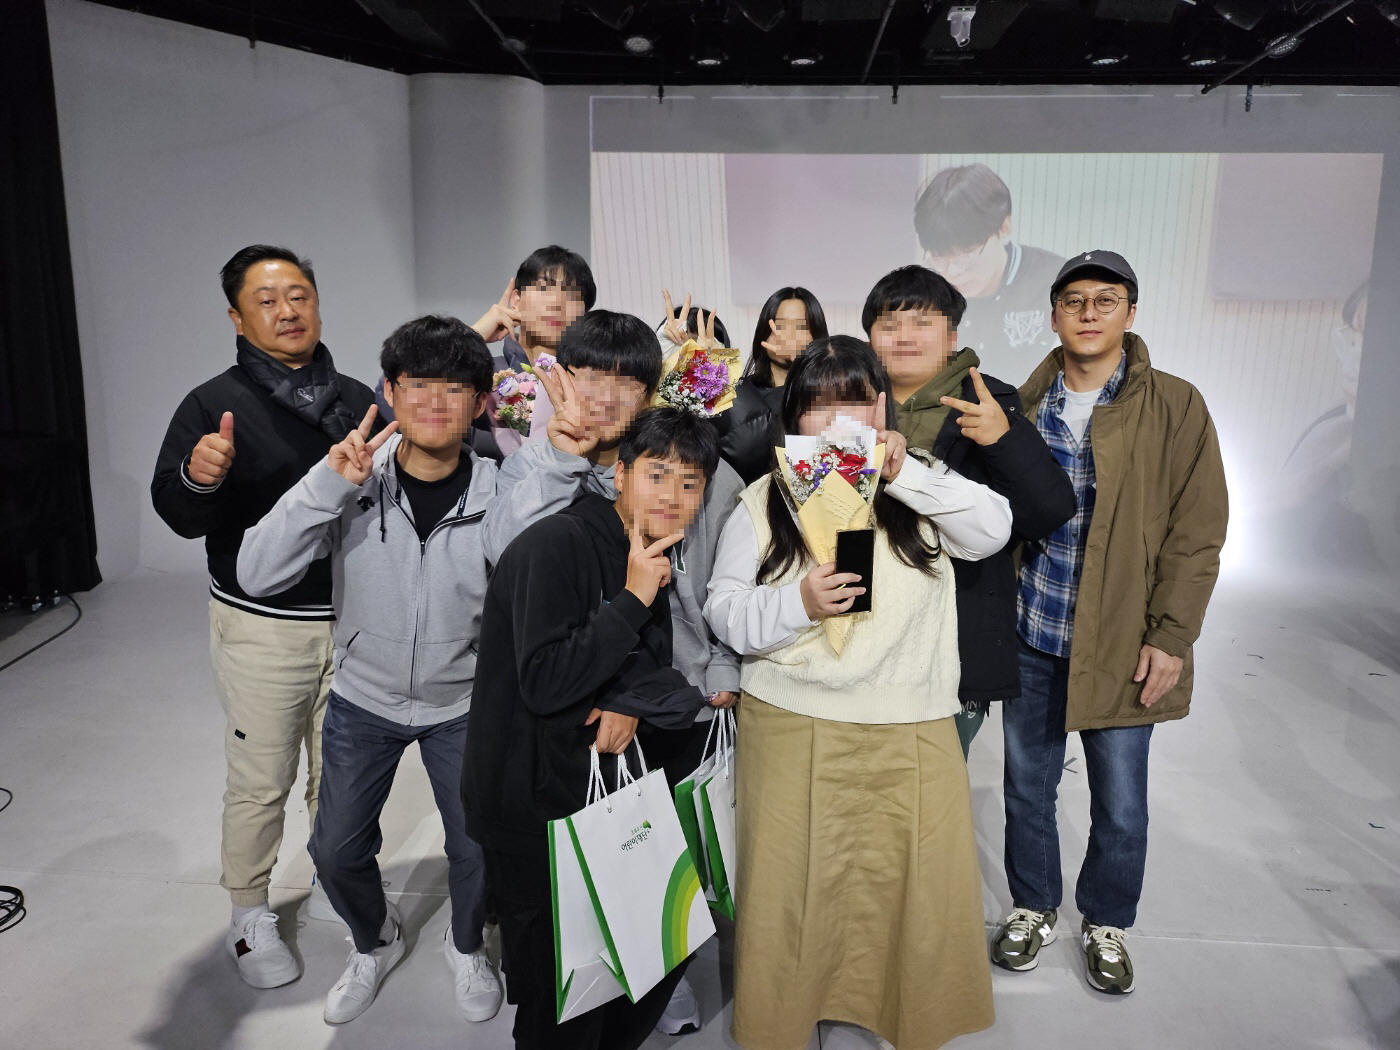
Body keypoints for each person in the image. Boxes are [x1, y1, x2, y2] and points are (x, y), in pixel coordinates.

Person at [704, 336, 1011, 1050]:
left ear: (881, 409)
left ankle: (871, 1019)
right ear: (795, 416)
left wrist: (902, 474)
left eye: (857, 402)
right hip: (793, 722)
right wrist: (799, 604)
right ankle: (790, 1022)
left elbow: (993, 530)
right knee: (793, 895)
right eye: (820, 405)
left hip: (911, 724)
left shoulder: (919, 483)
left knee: (907, 894)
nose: (839, 421)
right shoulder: (766, 497)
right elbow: (725, 610)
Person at [483, 308, 744, 1036]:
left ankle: (653, 967)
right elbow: (507, 558)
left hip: (681, 705)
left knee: (665, 870)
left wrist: (712, 670)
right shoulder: (545, 463)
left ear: (652, 390)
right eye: (588, 377)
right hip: (586, 714)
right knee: (590, 879)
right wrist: (558, 459)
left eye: (626, 383)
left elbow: (723, 582)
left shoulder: (689, 465)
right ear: (560, 377)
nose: (603, 397)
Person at [237, 315, 504, 1025]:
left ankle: (465, 945)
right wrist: (325, 486)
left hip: (463, 702)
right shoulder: (351, 478)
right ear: (389, 392)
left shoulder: (500, 490)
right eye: (419, 386)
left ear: (481, 402)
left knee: (478, 845)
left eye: (456, 388)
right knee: (334, 850)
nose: (436, 403)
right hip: (364, 697)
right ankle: (375, 939)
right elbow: (256, 572)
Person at [992, 250, 1228, 995]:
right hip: (1034, 630)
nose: (1088, 312)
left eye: (1106, 299)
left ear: (1131, 312)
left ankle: (1107, 920)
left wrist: (1171, 636)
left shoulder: (1176, 406)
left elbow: (1198, 530)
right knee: (1026, 788)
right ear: (1053, 316)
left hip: (1124, 639)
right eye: (1074, 301)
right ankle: (1034, 906)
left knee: (1121, 802)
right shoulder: (1022, 405)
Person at [150, 245, 377, 989]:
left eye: (299, 295)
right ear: (237, 317)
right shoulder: (212, 403)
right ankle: (248, 914)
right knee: (262, 778)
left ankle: (333, 880)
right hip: (263, 625)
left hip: (350, 621)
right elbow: (178, 512)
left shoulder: (353, 396)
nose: (288, 311)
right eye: (268, 299)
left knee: (340, 775)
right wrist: (199, 476)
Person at [864, 265, 1074, 754]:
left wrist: (1003, 440)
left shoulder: (989, 403)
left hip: (951, 633)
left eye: (922, 323)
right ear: (869, 336)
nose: (904, 337)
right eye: (889, 324)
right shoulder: (846, 397)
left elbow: (1046, 512)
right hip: (859, 630)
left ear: (952, 335)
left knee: (930, 782)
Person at [376, 245, 596, 459]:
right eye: (545, 289)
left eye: (572, 295)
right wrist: (474, 335)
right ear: (516, 301)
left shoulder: (591, 384)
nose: (557, 304)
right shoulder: (482, 374)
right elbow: (395, 399)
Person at [915, 163, 1064, 383]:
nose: (952, 272)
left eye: (965, 255)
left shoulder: (1057, 281)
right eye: (939, 257)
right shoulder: (923, 291)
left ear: (1003, 228)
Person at [719, 287, 829, 484]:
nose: (789, 335)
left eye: (800, 327)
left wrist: (802, 366)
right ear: (764, 332)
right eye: (781, 325)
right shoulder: (737, 394)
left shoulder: (829, 396)